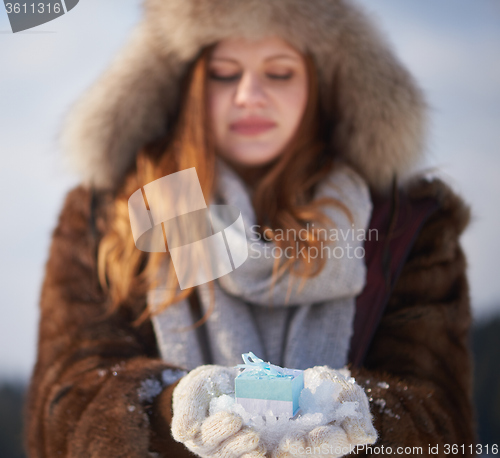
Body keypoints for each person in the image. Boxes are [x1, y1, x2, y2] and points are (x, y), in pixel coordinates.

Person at [24, 0, 478, 457]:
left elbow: (441, 422)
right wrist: (173, 415)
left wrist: (354, 420)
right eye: (224, 73)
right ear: (189, 86)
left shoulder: (405, 223)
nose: (248, 95)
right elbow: (64, 409)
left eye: (279, 73)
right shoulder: (112, 216)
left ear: (320, 85)